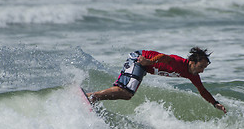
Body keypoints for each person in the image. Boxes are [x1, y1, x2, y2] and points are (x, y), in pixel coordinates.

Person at [87, 47, 227, 113]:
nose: (202, 70)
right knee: (126, 91)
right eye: (201, 66)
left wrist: (215, 103)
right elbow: (164, 57)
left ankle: (92, 97)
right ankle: (92, 97)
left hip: (143, 66)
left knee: (127, 94)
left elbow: (202, 90)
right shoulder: (179, 63)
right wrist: (148, 61)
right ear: (192, 62)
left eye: (204, 68)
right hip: (139, 59)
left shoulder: (192, 75)